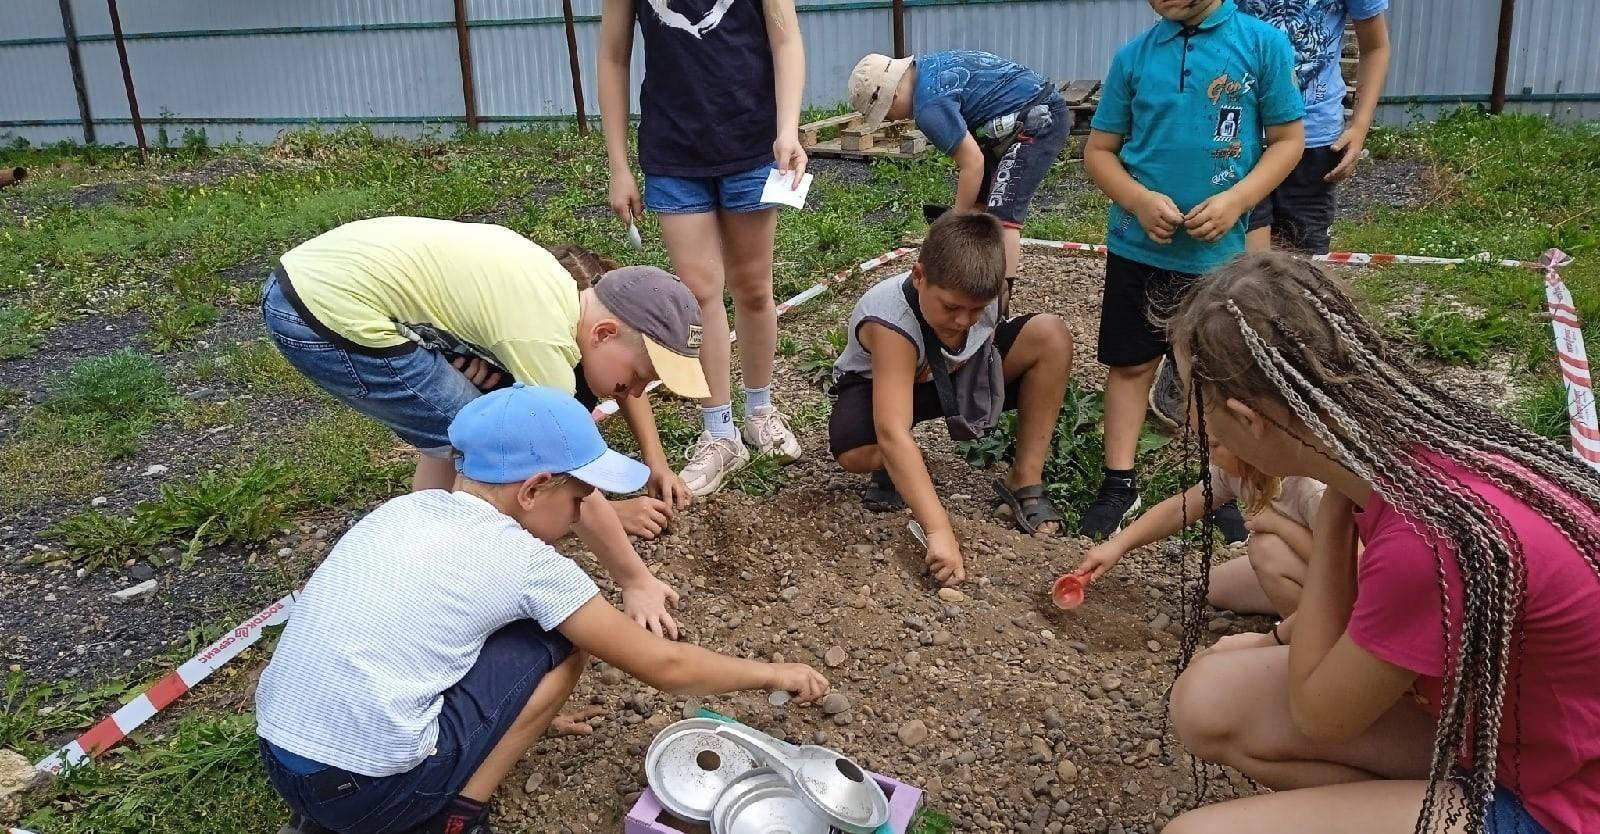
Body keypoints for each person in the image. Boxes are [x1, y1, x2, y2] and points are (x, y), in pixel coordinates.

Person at [256, 384, 830, 834]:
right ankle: (454, 818)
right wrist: (774, 673)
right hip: (370, 791)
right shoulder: (527, 562)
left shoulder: (409, 510)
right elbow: (665, 667)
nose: (583, 513)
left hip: (282, 756)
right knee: (559, 643)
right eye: (580, 498)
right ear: (532, 490)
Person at [1160, 253, 1600, 834]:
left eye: (1205, 410)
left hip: (1563, 800)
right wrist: (1342, 498)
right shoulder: (1414, 447)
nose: (1205, 432)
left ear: (1249, 418)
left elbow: (1321, 717)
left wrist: (1338, 515)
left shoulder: (1423, 535)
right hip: (1506, 733)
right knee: (1207, 702)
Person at [261, 216, 701, 634]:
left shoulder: (553, 294)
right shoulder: (543, 343)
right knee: (488, 452)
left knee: (462, 430)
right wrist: (634, 580)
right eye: (640, 375)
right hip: (326, 312)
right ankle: (450, 575)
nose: (638, 390)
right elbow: (566, 467)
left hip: (314, 281)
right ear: (603, 333)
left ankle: (425, 540)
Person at [1078, 0, 1306, 539]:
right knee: (1130, 365)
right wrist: (1135, 199)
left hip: (1219, 258)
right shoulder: (1134, 57)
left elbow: (1288, 141)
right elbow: (1099, 151)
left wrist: (1236, 200)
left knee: (1213, 373)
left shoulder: (1261, 45)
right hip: (1138, 249)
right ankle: (1119, 483)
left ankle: (1218, 484)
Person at [599, 0, 809, 498]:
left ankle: (760, 409)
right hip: (673, 153)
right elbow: (612, 57)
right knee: (698, 293)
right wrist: (618, 165)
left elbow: (786, 38)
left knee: (754, 287)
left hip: (753, 146)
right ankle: (719, 433)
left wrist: (787, 129)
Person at [828, 211, 1074, 587]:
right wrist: (939, 530)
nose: (963, 320)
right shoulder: (890, 320)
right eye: (951, 307)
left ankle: (1024, 478)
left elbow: (990, 327)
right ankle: (903, 467)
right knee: (856, 452)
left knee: (1051, 336)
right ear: (919, 276)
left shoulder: (988, 295)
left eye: (977, 309)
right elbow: (892, 429)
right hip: (889, 384)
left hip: (961, 375)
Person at [847, 50, 1071, 286]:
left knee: (1002, 218)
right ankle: (970, 276)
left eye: (885, 114)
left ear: (891, 97)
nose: (891, 120)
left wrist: (953, 224)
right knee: (978, 202)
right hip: (1014, 116)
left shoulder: (928, 108)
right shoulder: (929, 66)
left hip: (1039, 118)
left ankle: (998, 306)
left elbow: (972, 163)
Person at [1076, 435, 1326, 617]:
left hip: (1346, 585)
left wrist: (1280, 526)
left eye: (1216, 444)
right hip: (1305, 568)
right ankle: (1297, 605)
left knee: (1266, 549)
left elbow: (1354, 566)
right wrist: (1118, 545)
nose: (1207, 451)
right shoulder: (1236, 472)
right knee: (1214, 587)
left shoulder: (1311, 489)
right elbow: (1181, 507)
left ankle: (1308, 640)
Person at [1240, 0, 1392, 255]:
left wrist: (1360, 126)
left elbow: (1375, 47)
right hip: (1243, 137)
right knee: (1242, 268)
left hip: (1315, 139)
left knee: (1302, 265)